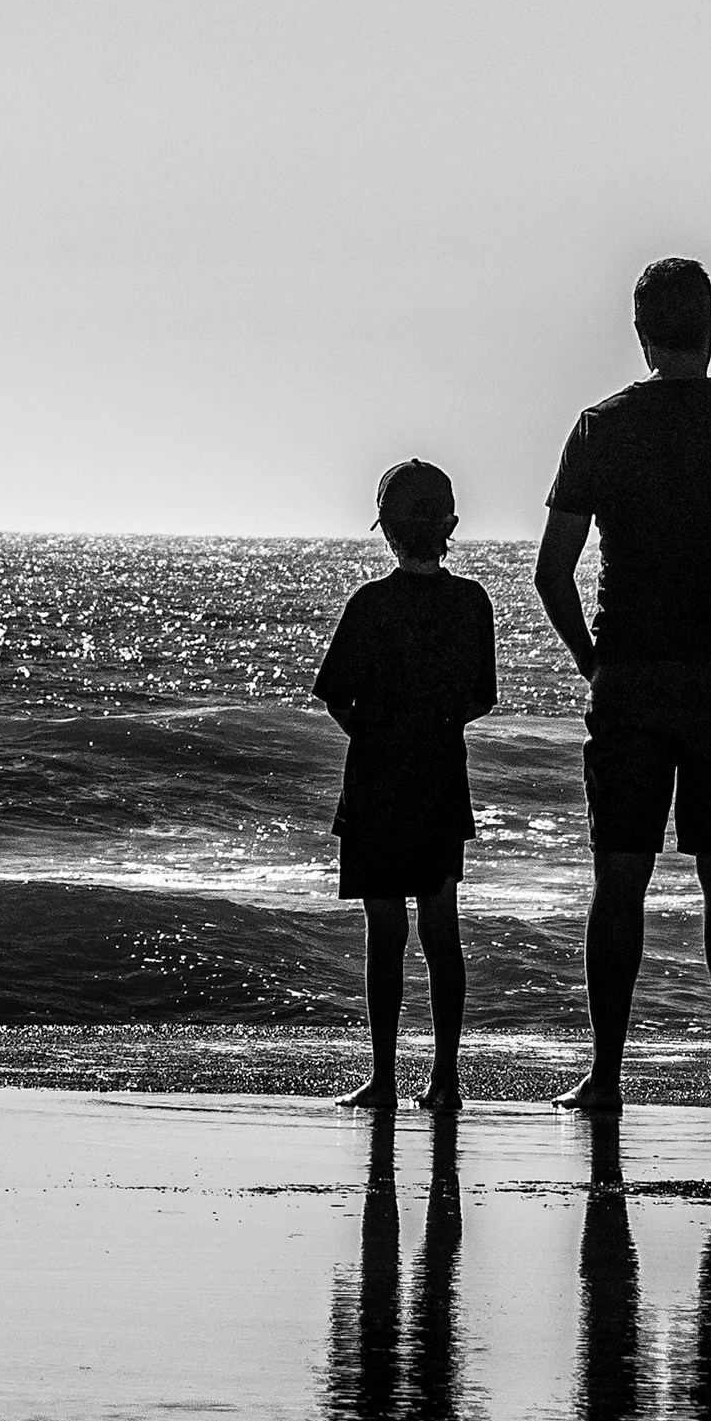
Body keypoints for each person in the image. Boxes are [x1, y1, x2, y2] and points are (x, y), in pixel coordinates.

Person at [535, 259, 711, 1119]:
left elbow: (552, 572)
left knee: (618, 878)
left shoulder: (600, 426)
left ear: (640, 333)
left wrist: (592, 661)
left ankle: (605, 1078)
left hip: (631, 672)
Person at [314, 459, 496, 1113]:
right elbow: (481, 698)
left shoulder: (370, 603)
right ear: (449, 525)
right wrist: (431, 727)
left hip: (375, 779)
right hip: (440, 778)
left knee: (384, 931)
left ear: (386, 529)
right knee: (441, 928)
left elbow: (335, 696)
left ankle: (383, 1079)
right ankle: (444, 1080)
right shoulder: (470, 602)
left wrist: (376, 732)